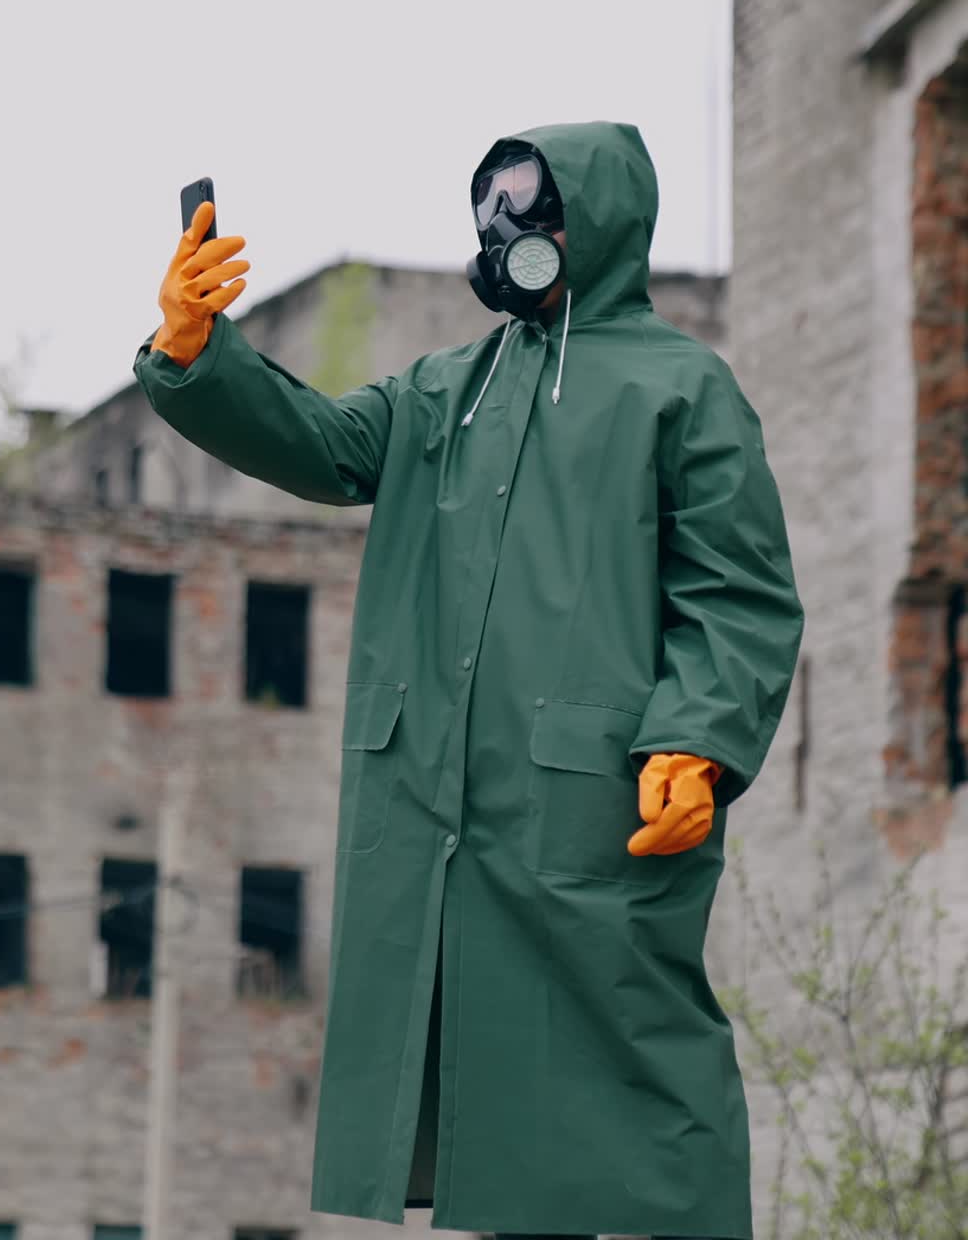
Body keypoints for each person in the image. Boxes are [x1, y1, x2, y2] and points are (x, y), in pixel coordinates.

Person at [133, 121, 804, 1240]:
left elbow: (737, 592)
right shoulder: (448, 387)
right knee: (494, 1118)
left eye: (528, 209)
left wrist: (696, 738)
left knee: (646, 1075)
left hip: (593, 805)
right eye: (489, 211)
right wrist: (197, 349)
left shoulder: (681, 386)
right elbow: (321, 441)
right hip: (436, 808)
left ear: (594, 222)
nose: (503, 234)